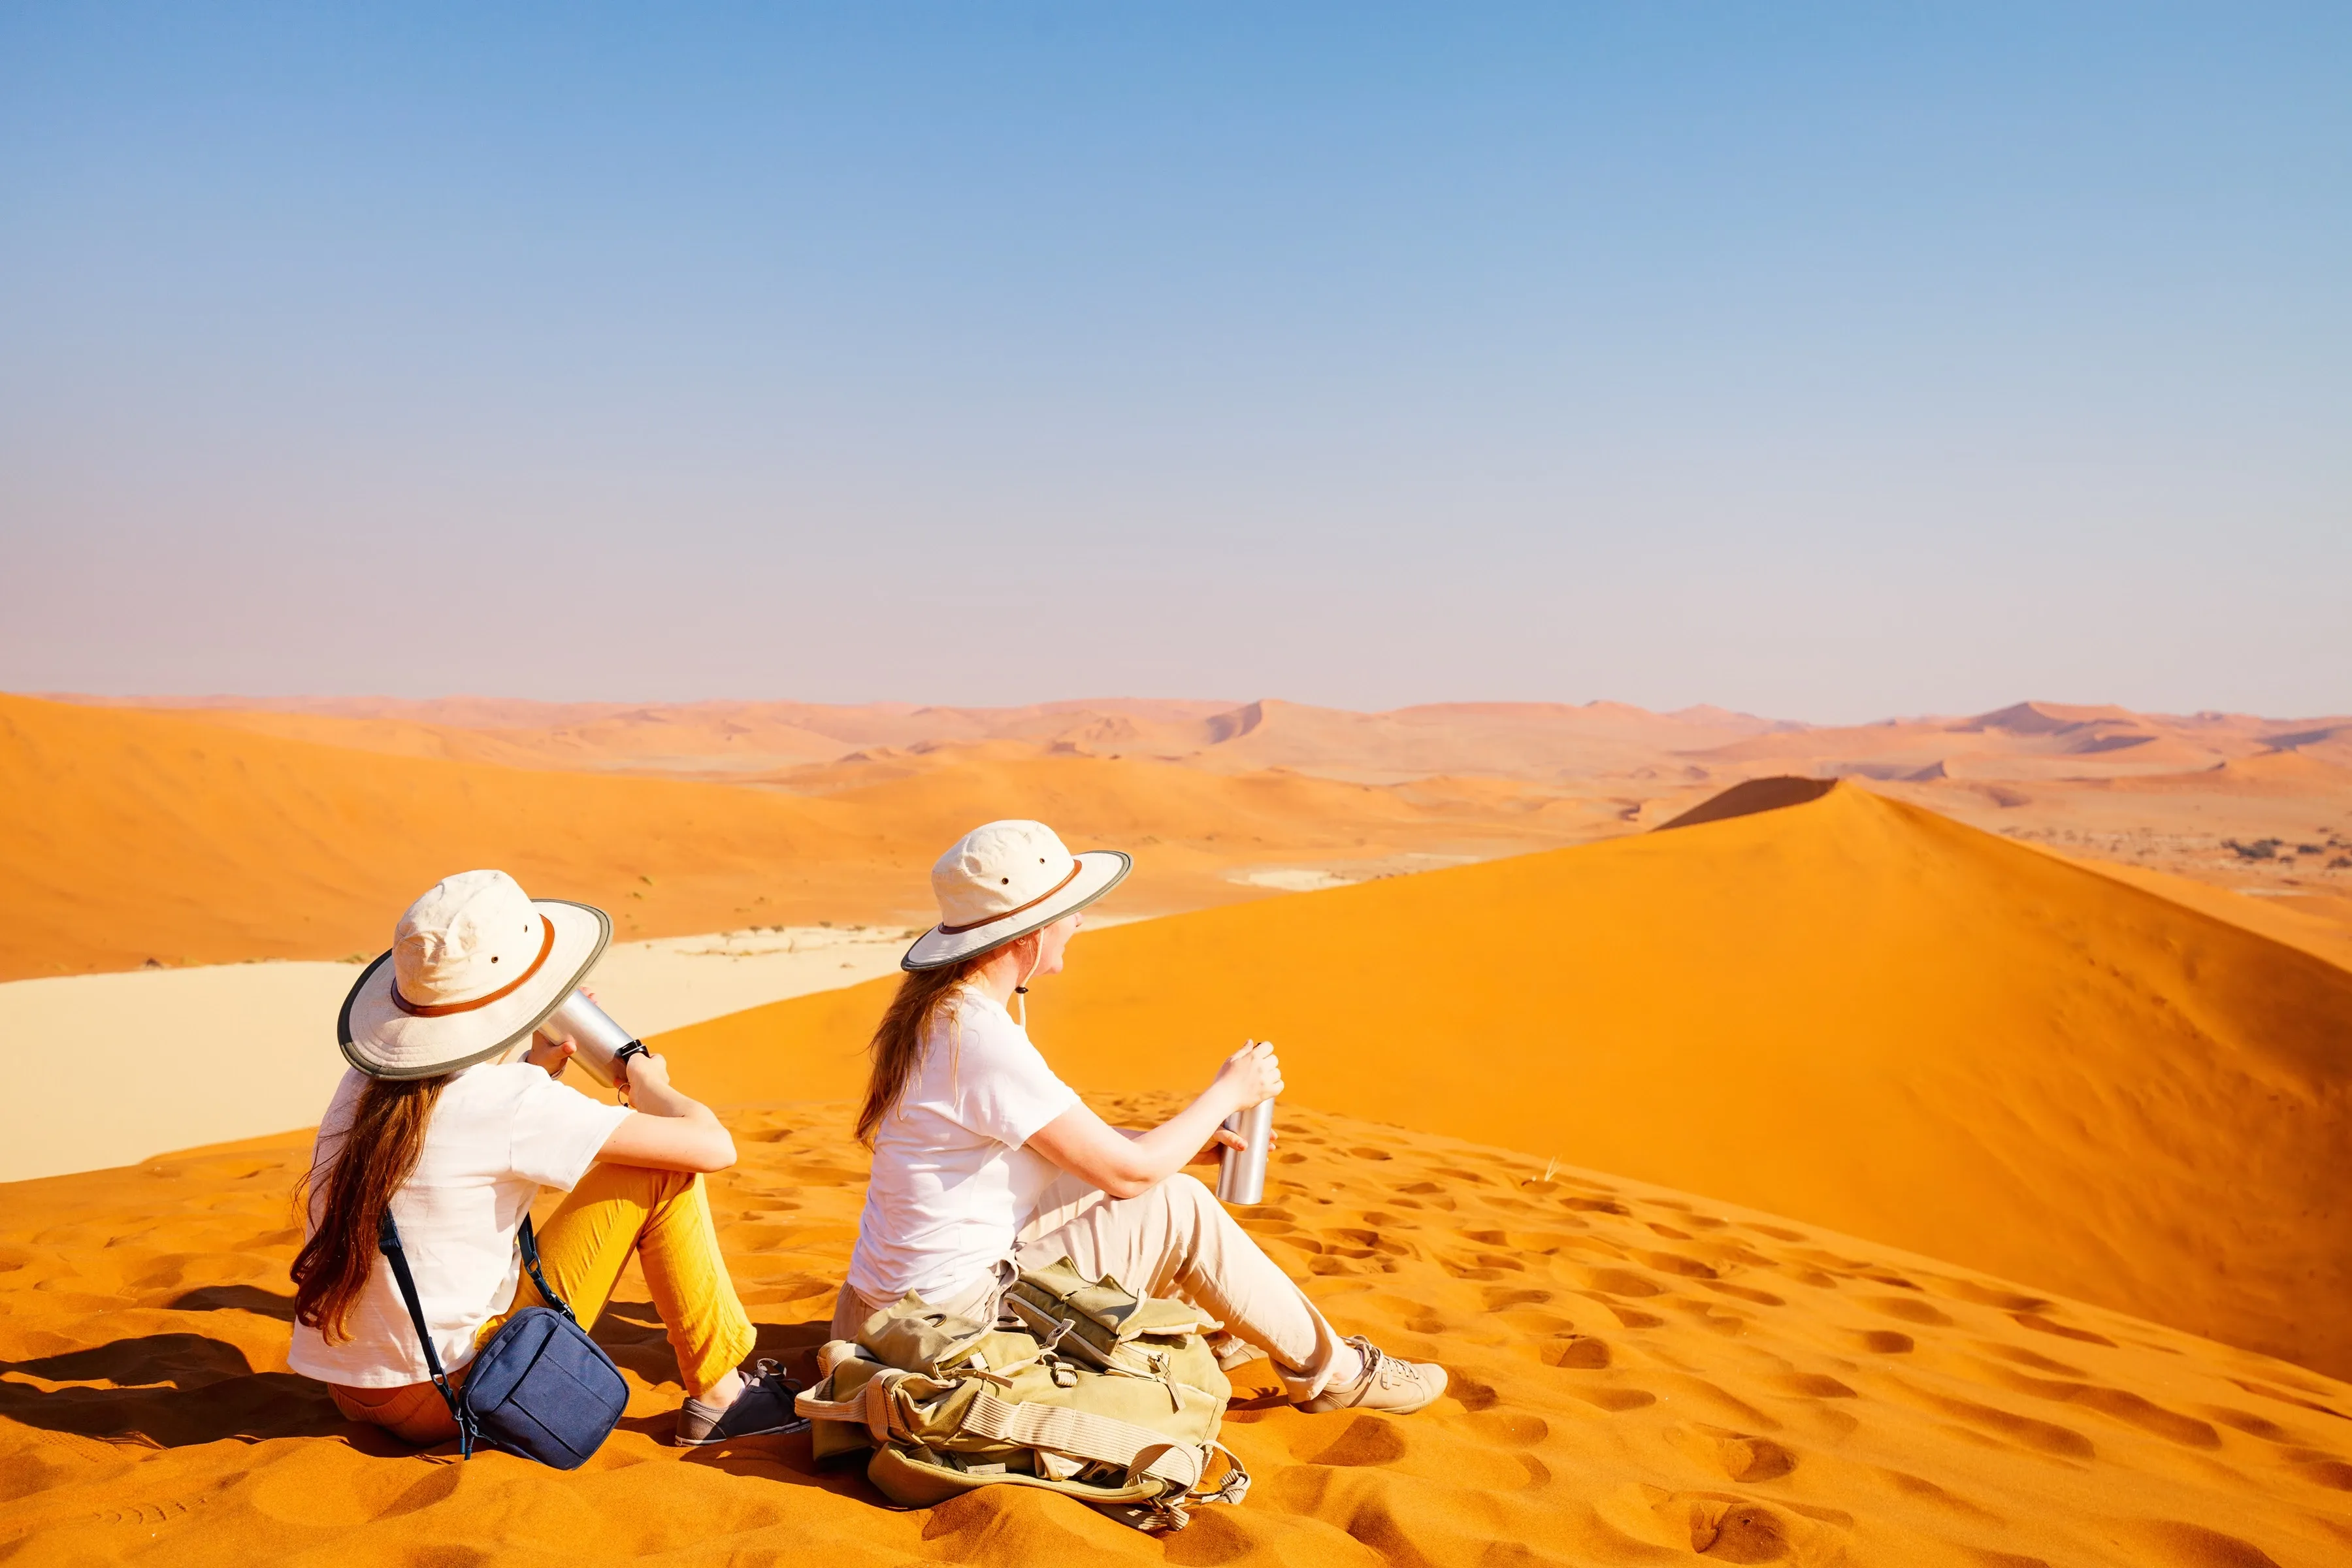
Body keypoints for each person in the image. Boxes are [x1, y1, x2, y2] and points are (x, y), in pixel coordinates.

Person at [836, 819, 1447, 1414]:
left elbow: (1060, 1148)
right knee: (1173, 1202)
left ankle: (1230, 1325)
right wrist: (1228, 1094)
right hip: (944, 1330)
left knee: (1154, 1183)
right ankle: (1337, 1374)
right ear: (1028, 932)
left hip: (881, 1312)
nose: (1078, 921)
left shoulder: (943, 1013)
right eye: (1069, 910)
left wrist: (1183, 1142)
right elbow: (1127, 1175)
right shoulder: (979, 1038)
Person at [289, 869, 797, 1448]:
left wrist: (536, 1069)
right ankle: (722, 1398)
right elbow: (713, 1147)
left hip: (353, 1389)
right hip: (454, 1396)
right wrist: (644, 1077)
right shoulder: (510, 1102)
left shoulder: (364, 1081)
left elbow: (459, 1121)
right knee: (664, 1169)